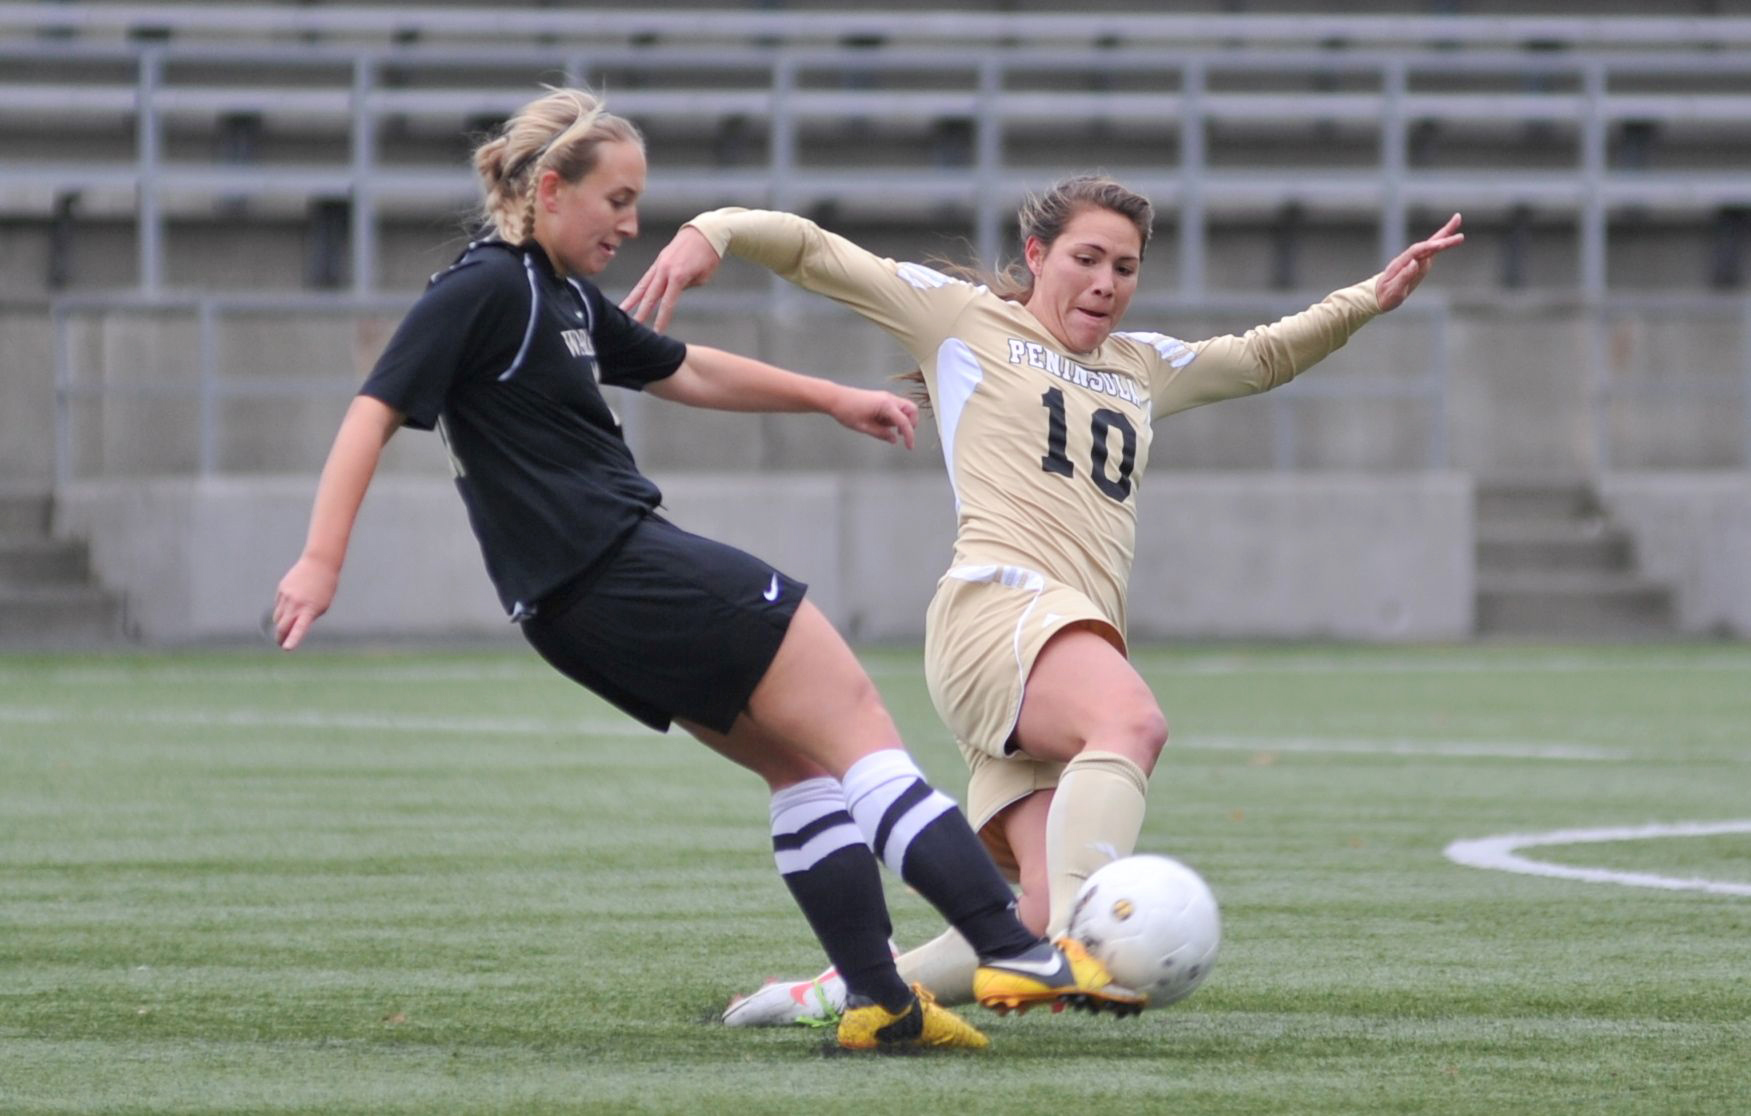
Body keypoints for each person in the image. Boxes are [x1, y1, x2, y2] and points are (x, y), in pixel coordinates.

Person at [270, 90, 1146, 1053]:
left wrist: (830, 399)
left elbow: (681, 368)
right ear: (551, 190)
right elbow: (373, 408)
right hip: (623, 564)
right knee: (855, 722)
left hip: (568, 611)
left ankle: (883, 1007)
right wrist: (320, 559)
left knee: (800, 765)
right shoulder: (487, 289)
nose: (631, 224)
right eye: (616, 199)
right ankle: (1013, 948)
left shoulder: (555, 297)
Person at [623, 176, 1463, 1024]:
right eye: (1087, 258)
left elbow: (1261, 356)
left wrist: (1371, 297)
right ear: (1036, 256)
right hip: (998, 610)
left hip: (1056, 645)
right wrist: (713, 228)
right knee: (1131, 726)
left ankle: (832, 994)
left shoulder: (1141, 366)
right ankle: (1066, 948)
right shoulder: (961, 319)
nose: (1106, 282)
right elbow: (812, 252)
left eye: (1125, 267)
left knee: (1016, 910)